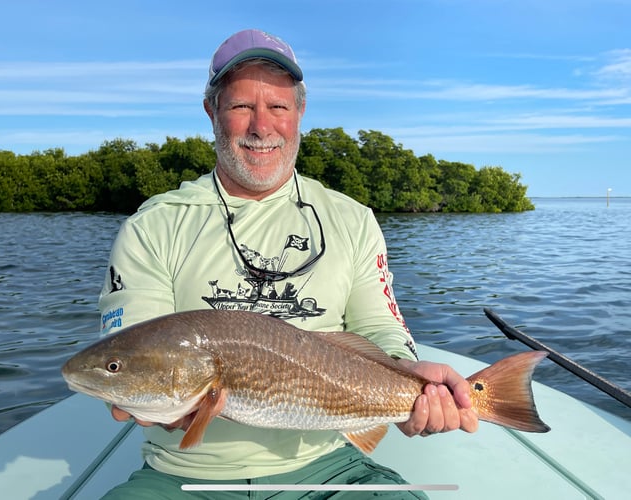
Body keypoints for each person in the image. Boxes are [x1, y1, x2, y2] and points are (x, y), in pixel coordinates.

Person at [98, 29, 478, 499]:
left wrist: (410, 376)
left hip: (329, 466)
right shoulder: (153, 226)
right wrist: (135, 396)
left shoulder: (352, 219)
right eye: (241, 107)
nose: (262, 126)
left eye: (278, 107)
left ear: (299, 113)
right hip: (184, 474)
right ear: (211, 112)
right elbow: (134, 357)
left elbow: (379, 328)